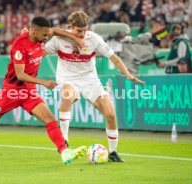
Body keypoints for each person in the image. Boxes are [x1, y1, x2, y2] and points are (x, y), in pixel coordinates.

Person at [0, 16, 87, 165]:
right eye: (44, 35)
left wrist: (75, 38)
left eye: (46, 34)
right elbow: (20, 75)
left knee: (50, 119)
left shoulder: (42, 34)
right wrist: (43, 82)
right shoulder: (19, 46)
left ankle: (64, 152)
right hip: (12, 90)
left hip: (29, 91)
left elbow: (55, 31)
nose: (46, 38)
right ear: (34, 32)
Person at [44, 11, 145, 162]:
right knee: (67, 96)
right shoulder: (59, 39)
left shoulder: (94, 39)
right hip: (67, 78)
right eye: (79, 30)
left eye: (85, 30)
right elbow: (38, 53)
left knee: (110, 114)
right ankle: (64, 139)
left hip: (90, 80)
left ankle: (113, 152)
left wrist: (128, 74)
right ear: (71, 27)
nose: (83, 33)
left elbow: (114, 58)